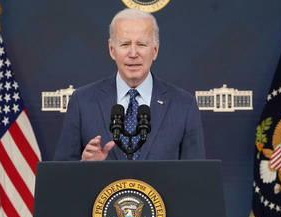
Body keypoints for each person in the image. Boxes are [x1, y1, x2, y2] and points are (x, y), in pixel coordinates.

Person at [54, 8, 205, 161]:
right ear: (112, 49)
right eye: (125, 44)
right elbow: (60, 176)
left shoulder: (184, 105)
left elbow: (196, 178)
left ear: (155, 50)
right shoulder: (82, 102)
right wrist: (85, 167)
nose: (133, 53)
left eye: (141, 44)